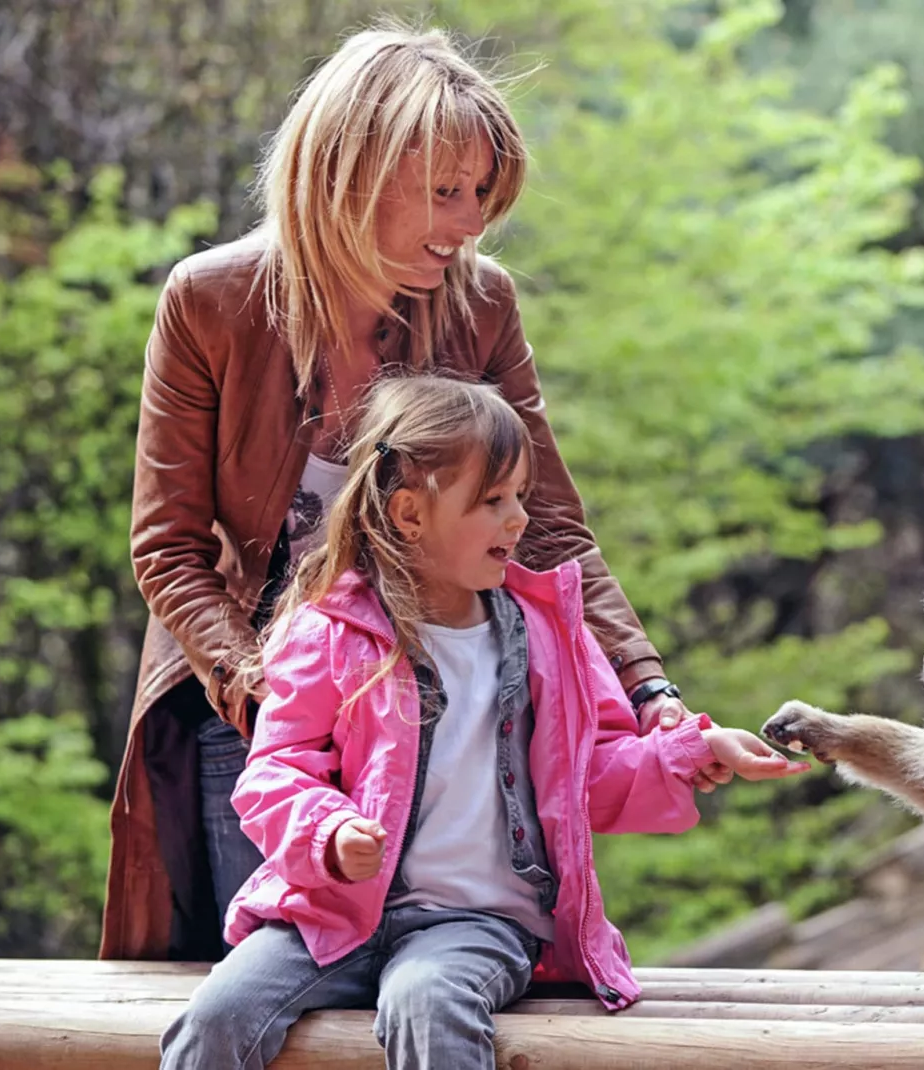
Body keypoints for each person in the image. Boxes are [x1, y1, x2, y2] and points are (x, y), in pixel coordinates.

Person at [103, 21, 719, 963]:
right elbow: (170, 550)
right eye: (445, 191)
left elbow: (546, 524)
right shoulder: (210, 301)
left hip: (450, 693)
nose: (471, 222)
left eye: (481, 193)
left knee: (444, 974)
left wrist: (648, 689)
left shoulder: (481, 304)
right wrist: (262, 692)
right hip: (263, 711)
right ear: (349, 171)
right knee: (285, 980)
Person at [158, 376, 808, 1069]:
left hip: (475, 922)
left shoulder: (549, 637)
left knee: (428, 1004)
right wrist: (329, 830)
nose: (519, 519)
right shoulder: (327, 631)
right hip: (330, 915)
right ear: (409, 514)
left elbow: (588, 776)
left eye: (520, 497)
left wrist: (688, 750)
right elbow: (274, 772)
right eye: (493, 501)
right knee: (216, 1016)